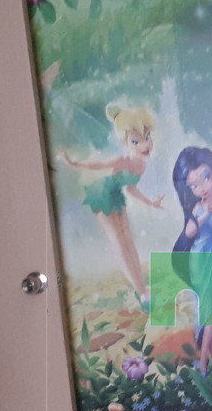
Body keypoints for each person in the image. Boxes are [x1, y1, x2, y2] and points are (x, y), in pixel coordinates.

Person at [59, 104, 164, 305]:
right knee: (120, 242)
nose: (144, 145)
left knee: (128, 241)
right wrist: (73, 164)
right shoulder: (122, 161)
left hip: (116, 196)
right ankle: (142, 292)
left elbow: (131, 189)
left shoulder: (141, 165)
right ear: (126, 143)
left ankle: (142, 288)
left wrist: (150, 202)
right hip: (102, 195)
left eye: (147, 137)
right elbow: (98, 165)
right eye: (136, 141)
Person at [172, 146, 212, 375]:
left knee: (211, 309)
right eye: (193, 185)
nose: (201, 187)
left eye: (205, 178)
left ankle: (204, 363)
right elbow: (189, 232)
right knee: (204, 307)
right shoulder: (198, 207)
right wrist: (202, 216)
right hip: (196, 260)